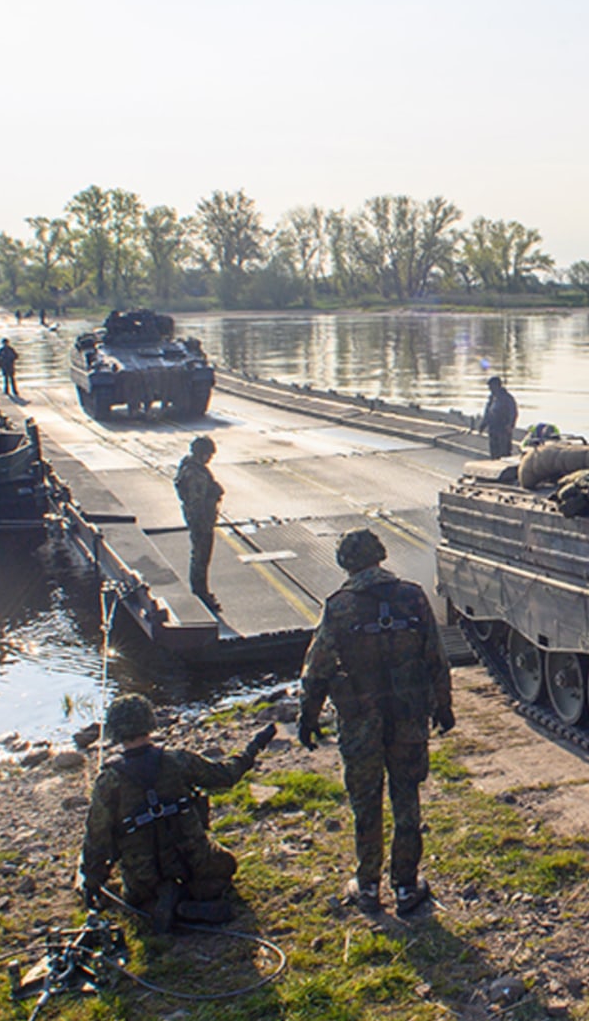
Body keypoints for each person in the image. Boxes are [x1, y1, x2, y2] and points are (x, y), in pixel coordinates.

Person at [298, 528, 454, 915]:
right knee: (407, 802)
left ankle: (367, 885)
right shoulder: (413, 596)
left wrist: (308, 716)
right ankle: (405, 885)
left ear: (345, 562)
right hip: (408, 718)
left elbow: (316, 669)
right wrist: (444, 706)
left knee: (365, 803)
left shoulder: (339, 606)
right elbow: (436, 656)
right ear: (381, 554)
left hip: (360, 723)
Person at [79, 693, 276, 932]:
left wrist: (92, 882)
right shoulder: (177, 760)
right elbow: (226, 776)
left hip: (144, 879)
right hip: (194, 862)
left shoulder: (108, 781)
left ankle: (162, 905)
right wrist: (253, 747)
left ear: (115, 731)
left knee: (132, 894)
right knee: (226, 865)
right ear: (149, 724)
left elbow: (96, 839)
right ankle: (193, 896)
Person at [174, 435, 223, 608]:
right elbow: (197, 502)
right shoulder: (195, 474)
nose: (209, 458)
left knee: (200, 556)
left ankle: (200, 591)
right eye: (208, 454)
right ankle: (200, 593)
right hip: (201, 521)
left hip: (199, 519)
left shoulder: (191, 467)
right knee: (201, 557)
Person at [477, 375, 517, 460]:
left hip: (503, 429)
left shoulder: (507, 398)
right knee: (494, 451)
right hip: (493, 428)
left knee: (504, 452)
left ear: (497, 386)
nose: (490, 388)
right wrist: (483, 425)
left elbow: (513, 412)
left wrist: (510, 425)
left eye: (491, 386)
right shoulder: (491, 398)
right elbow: (487, 413)